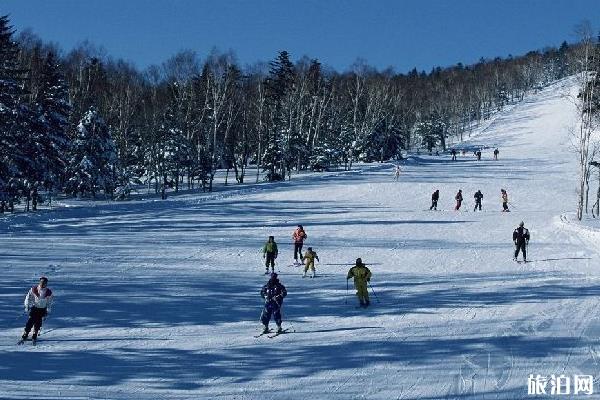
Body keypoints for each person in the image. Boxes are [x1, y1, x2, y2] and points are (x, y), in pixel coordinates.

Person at [21, 276, 53, 343]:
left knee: (38, 322)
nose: (42, 284)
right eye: (41, 282)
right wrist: (27, 306)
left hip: (42, 309)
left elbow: (49, 302)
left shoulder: (49, 292)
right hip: (35, 308)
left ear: (46, 284)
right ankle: (26, 333)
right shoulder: (34, 289)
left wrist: (48, 310)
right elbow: (28, 298)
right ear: (39, 282)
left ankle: (35, 334)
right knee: (30, 321)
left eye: (44, 283)